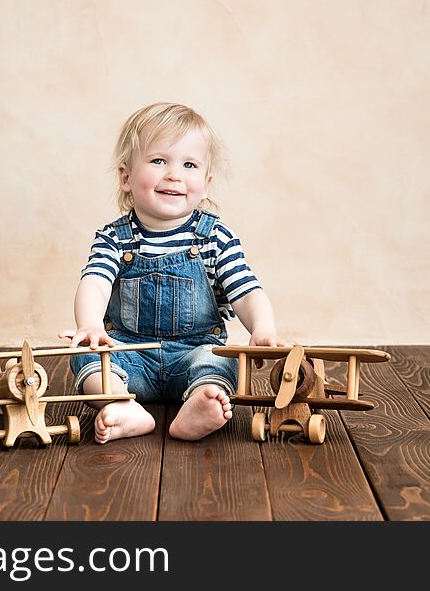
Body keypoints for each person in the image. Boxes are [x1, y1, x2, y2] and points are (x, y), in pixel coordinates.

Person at [58, 102, 284, 443]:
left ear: (205, 184)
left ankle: (199, 404)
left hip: (194, 352)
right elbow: (95, 281)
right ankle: (121, 405)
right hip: (129, 354)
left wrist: (263, 328)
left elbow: (246, 289)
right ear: (126, 177)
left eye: (189, 164)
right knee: (89, 358)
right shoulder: (115, 238)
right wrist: (89, 324)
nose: (174, 174)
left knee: (222, 361)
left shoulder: (213, 237)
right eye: (158, 160)